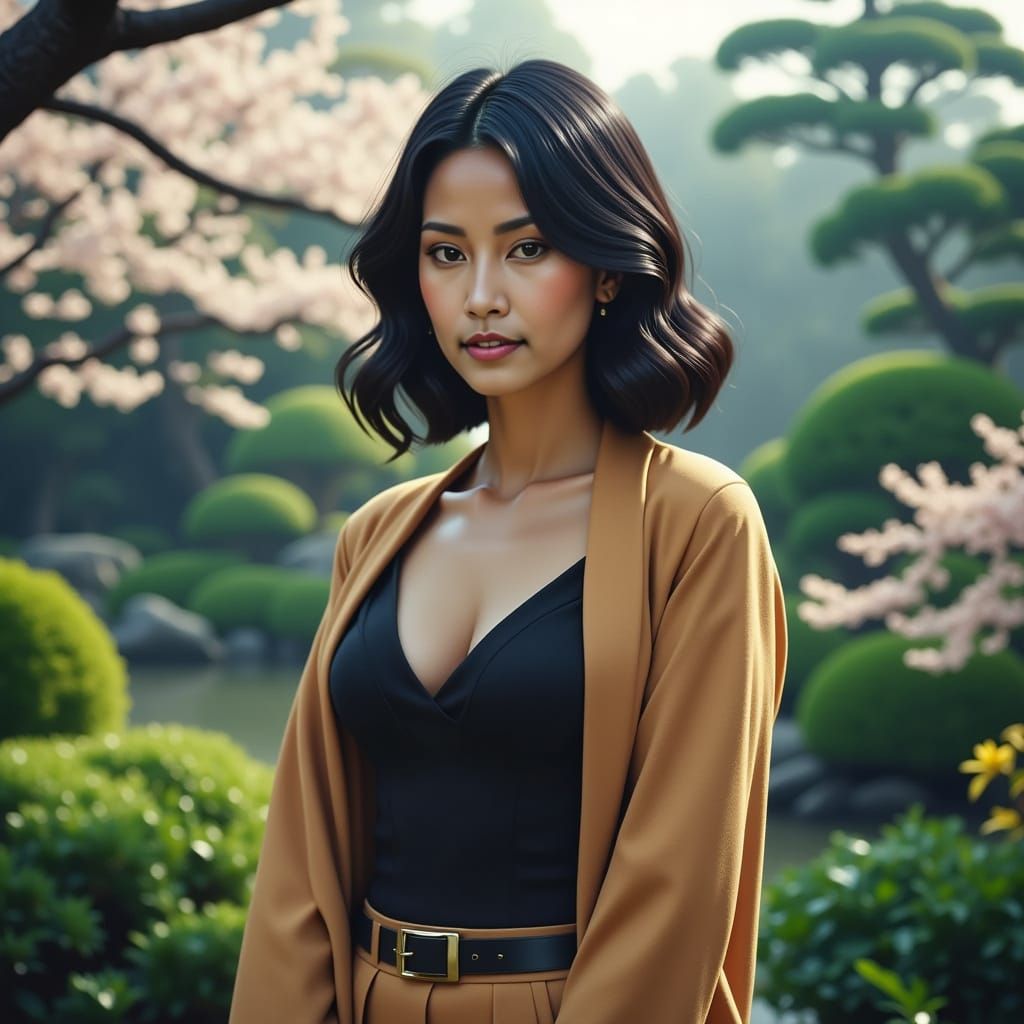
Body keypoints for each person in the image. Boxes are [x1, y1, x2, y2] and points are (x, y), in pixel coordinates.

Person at [229, 57, 787, 1024]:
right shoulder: (377, 535)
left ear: (608, 267)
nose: (482, 294)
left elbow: (680, 877)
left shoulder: (697, 523)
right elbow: (299, 865)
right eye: (448, 253)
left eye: (526, 250)